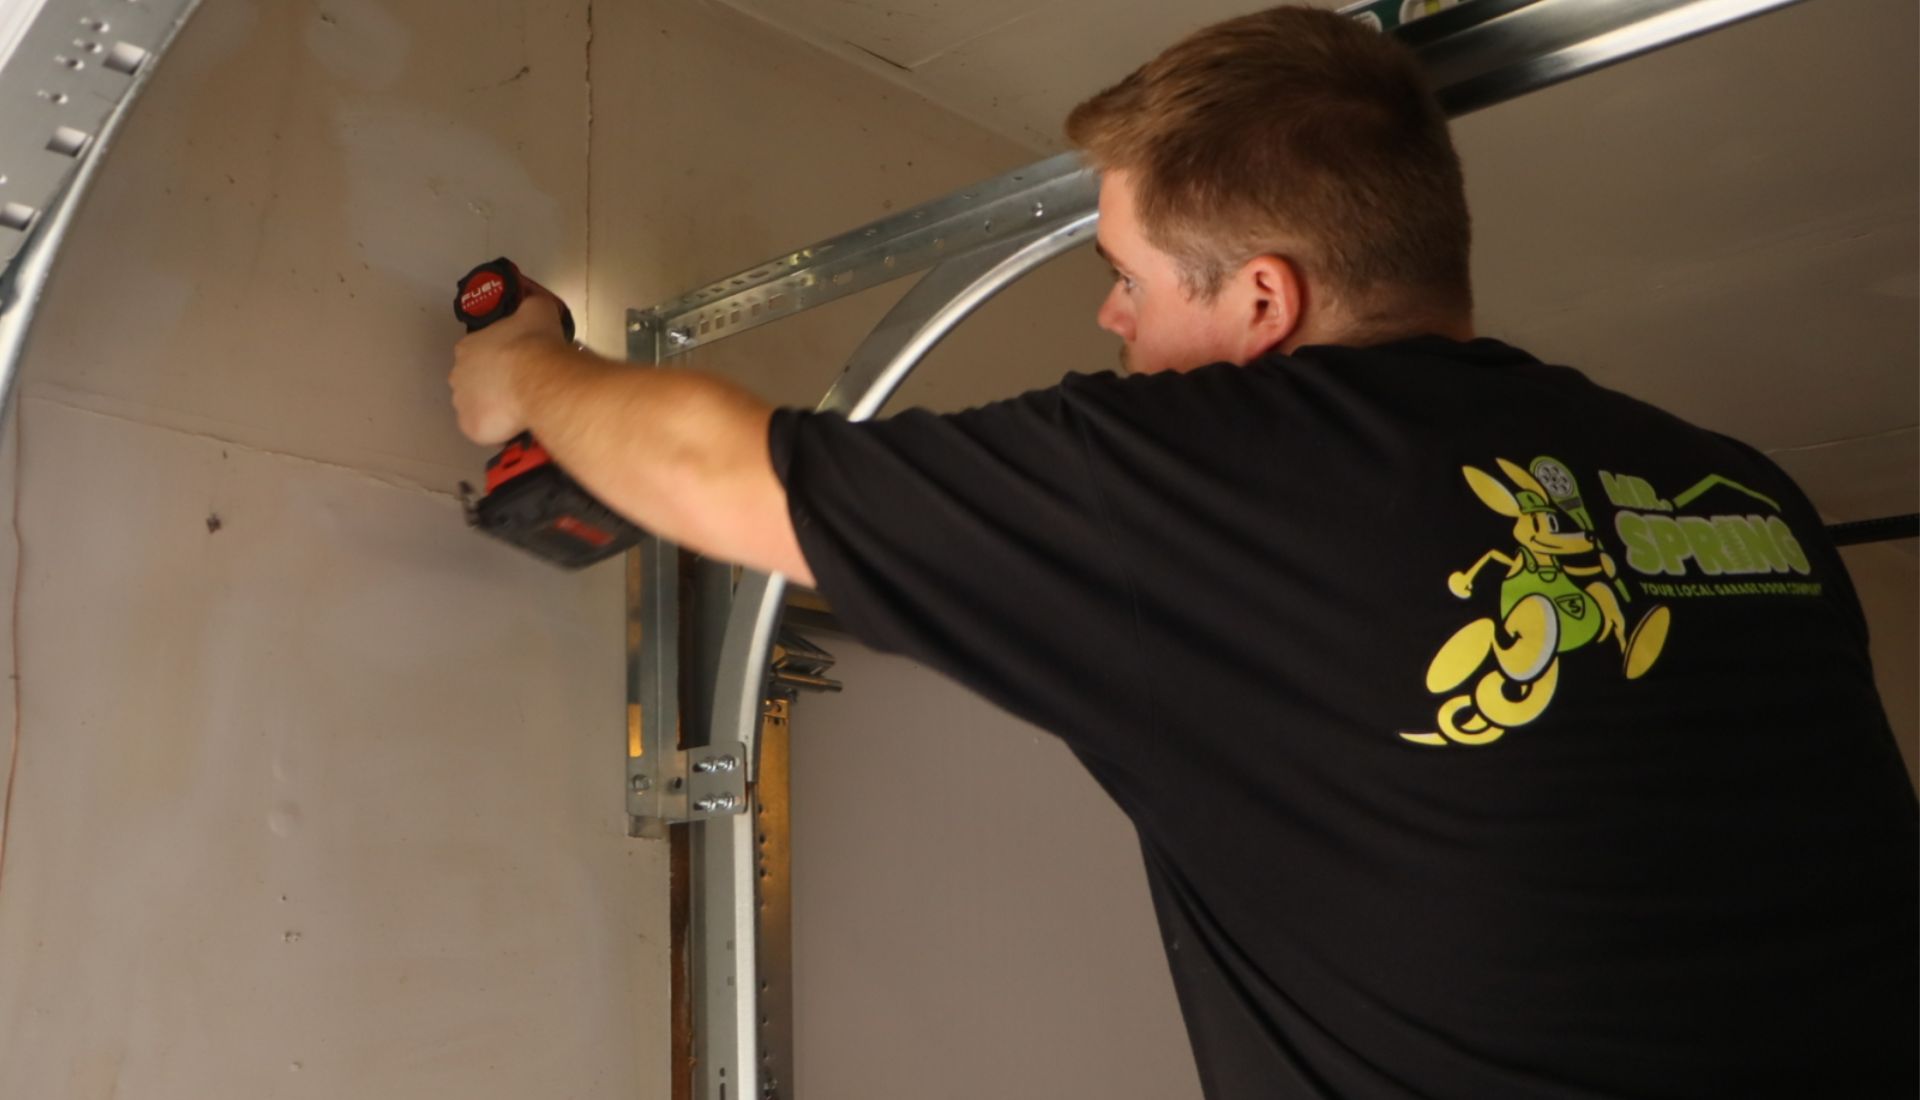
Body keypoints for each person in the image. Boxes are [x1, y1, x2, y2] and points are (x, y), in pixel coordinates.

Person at [450, 7, 1917, 1097]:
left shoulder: (1233, 476)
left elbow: (730, 472)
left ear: (1265, 301)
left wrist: (524, 375)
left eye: (1128, 279)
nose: (1112, 320)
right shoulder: (1744, 496)